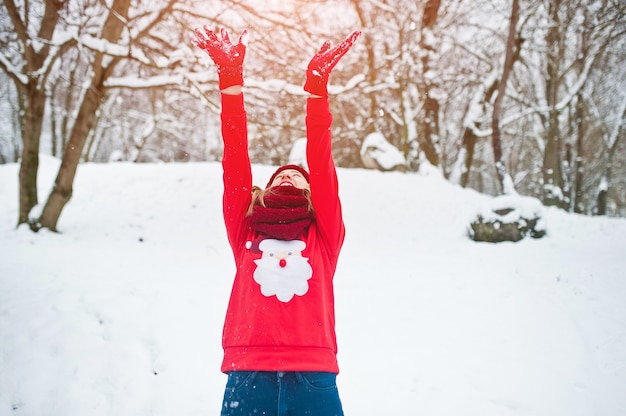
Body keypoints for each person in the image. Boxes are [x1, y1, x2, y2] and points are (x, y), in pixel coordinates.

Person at [192, 26, 361, 416]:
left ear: (309, 191)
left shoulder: (324, 233)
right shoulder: (246, 228)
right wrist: (230, 85)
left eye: (297, 176)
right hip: (249, 370)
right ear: (265, 191)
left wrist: (317, 94)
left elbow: (321, 163)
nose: (288, 175)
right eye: (279, 175)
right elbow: (235, 161)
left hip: (313, 370)